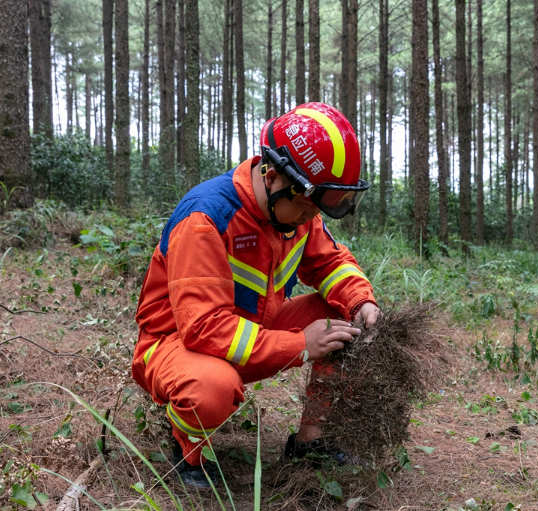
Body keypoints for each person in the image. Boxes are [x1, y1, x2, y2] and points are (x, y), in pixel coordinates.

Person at [132, 102, 380, 488]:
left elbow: (332, 264)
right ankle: (189, 453)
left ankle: (309, 443)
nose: (310, 217)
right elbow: (203, 329)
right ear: (276, 176)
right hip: (175, 344)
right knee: (211, 388)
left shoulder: (297, 212)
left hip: (252, 333)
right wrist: (299, 344)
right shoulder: (206, 218)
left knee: (345, 321)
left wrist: (361, 301)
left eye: (318, 208)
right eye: (307, 205)